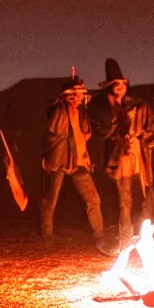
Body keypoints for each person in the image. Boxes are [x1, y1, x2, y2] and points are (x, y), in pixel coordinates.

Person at [39, 74, 105, 249]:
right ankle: (47, 236)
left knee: (93, 199)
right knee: (50, 200)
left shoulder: (80, 112)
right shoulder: (57, 111)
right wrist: (62, 104)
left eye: (80, 94)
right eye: (73, 94)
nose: (78, 98)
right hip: (59, 160)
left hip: (79, 161)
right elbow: (54, 132)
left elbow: (84, 134)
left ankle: (100, 235)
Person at [102, 59, 154, 248]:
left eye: (121, 85)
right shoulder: (109, 111)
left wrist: (144, 137)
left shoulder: (141, 106)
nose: (119, 89)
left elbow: (152, 132)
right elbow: (106, 135)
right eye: (115, 86)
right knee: (124, 203)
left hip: (139, 161)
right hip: (122, 163)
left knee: (143, 199)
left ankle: (144, 240)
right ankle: (125, 241)